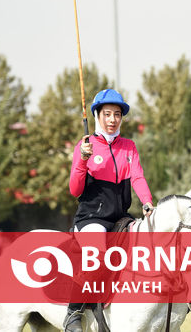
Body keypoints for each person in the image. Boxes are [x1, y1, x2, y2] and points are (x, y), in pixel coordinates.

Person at [64, 89, 154, 332]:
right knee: (97, 256)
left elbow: (137, 177)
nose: (113, 119)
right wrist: (83, 160)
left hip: (120, 217)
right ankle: (73, 312)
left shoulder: (129, 146)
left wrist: (147, 201)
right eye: (107, 114)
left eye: (117, 114)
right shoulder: (85, 146)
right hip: (91, 217)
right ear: (97, 115)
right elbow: (74, 190)